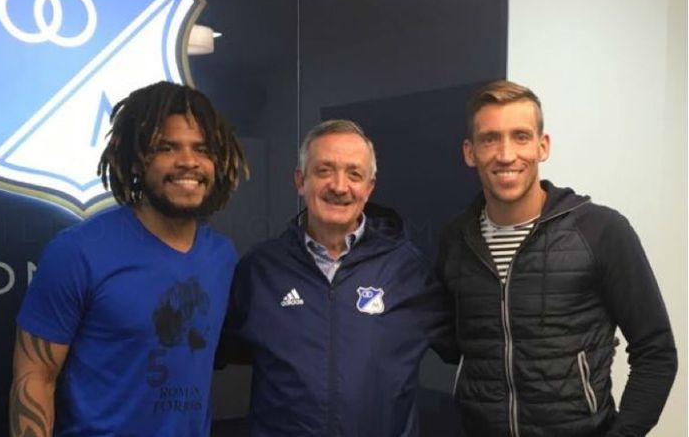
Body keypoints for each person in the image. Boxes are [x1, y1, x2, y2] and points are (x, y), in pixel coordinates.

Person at [436, 80, 677, 437]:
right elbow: (455, 345)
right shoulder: (456, 240)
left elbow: (656, 352)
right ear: (470, 152)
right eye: (490, 139)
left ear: (542, 146)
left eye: (520, 136)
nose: (506, 154)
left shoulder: (600, 230)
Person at [9, 81, 248, 437]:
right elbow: (35, 376)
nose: (188, 161)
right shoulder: (78, 251)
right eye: (167, 147)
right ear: (138, 160)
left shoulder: (222, 256)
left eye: (202, 149)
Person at [221, 119, 456, 436]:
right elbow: (215, 351)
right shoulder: (259, 271)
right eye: (324, 171)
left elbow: (471, 346)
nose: (339, 186)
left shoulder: (409, 272)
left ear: (369, 188)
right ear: (300, 181)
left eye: (354, 174)